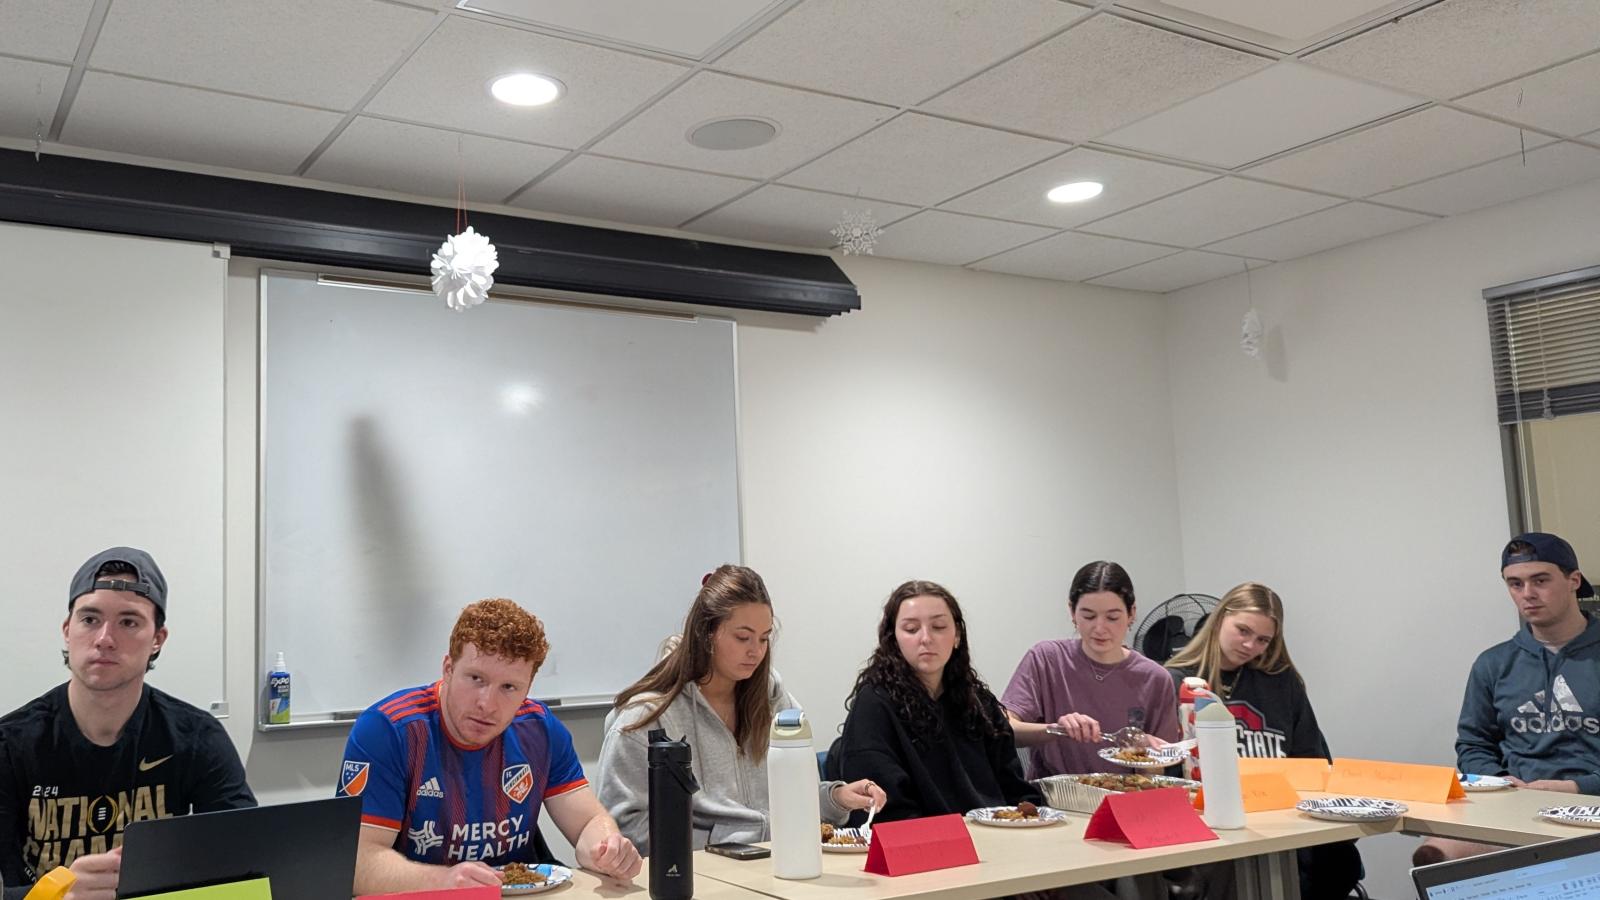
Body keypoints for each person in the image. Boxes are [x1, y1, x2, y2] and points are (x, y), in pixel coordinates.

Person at [0, 547, 256, 900]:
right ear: (67, 630)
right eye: (90, 619)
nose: (104, 638)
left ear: (157, 640)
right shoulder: (11, 744)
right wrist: (55, 895)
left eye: (128, 622)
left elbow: (248, 869)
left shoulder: (197, 737)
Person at [339, 598, 640, 894]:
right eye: (476, 679)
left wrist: (607, 848)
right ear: (448, 669)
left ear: (527, 690)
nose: (488, 704)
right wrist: (442, 882)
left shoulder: (541, 729)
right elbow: (358, 862)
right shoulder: (387, 730)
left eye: (509, 687)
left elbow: (587, 821)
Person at [596, 565, 884, 854]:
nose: (756, 651)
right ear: (706, 633)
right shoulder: (646, 718)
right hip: (699, 879)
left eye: (763, 638)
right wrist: (729, 844)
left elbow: (792, 802)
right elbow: (626, 831)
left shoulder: (776, 703)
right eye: (742, 637)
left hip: (773, 865)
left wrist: (837, 798)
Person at [1165, 582, 1361, 900]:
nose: (1249, 645)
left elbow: (1313, 761)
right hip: (1211, 827)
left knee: (1341, 860)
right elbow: (1169, 774)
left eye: (1262, 640)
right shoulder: (1174, 682)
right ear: (1219, 619)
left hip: (1282, 819)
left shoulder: (1282, 682)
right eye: (1243, 630)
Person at [1417, 532, 1600, 866]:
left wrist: (1576, 788)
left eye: (1540, 580)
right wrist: (1499, 783)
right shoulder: (1494, 664)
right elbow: (1473, 744)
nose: (1527, 594)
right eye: (1515, 584)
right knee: (1434, 854)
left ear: (1574, 580)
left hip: (1591, 805)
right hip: (1513, 808)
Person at [829, 580, 1043, 821]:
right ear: (893, 638)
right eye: (911, 629)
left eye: (939, 626)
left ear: (957, 636)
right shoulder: (874, 703)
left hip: (994, 836)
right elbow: (886, 809)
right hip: (923, 842)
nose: (926, 638)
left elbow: (1013, 788)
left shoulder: (979, 702)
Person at [1002, 561, 1180, 778]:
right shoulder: (1046, 659)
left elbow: (1155, 773)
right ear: (1072, 611)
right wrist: (1056, 730)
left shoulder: (1155, 678)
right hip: (1053, 800)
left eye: (1112, 617)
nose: (1099, 628)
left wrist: (1145, 753)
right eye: (1088, 616)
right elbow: (1005, 728)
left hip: (1124, 799)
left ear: (1131, 613)